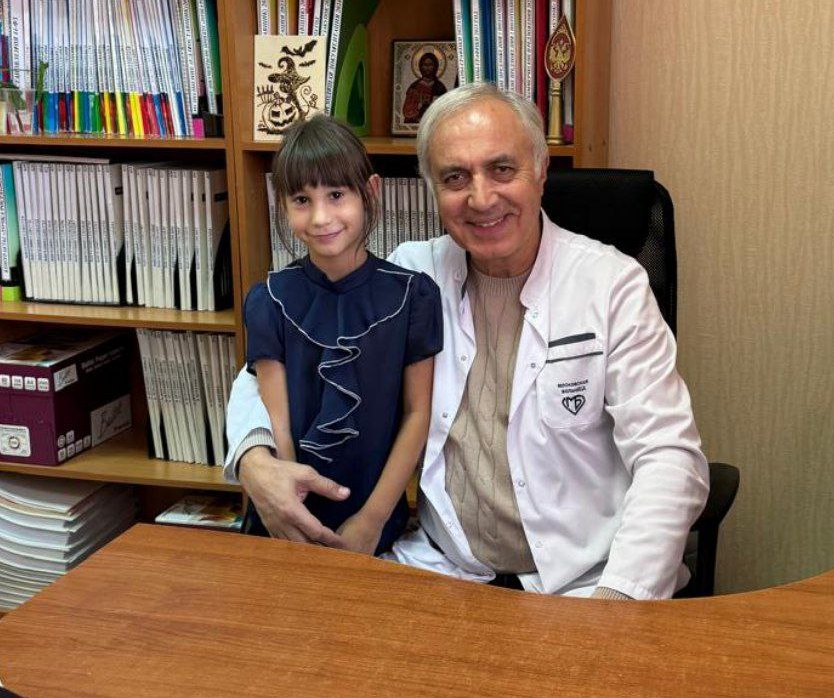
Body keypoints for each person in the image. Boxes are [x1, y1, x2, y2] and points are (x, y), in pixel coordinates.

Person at [227, 85, 709, 599]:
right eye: (455, 178)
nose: (481, 199)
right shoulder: (411, 278)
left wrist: (618, 600)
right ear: (432, 190)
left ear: (541, 169)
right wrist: (256, 462)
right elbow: (266, 368)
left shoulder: (612, 285)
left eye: (502, 169)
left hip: (585, 584)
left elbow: (669, 457)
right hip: (443, 568)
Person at [241, 113, 441, 555]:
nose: (320, 217)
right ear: (282, 205)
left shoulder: (414, 295)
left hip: (375, 518)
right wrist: (293, 513)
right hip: (286, 521)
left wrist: (372, 520)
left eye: (336, 195)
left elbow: (417, 414)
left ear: (370, 191)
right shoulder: (268, 299)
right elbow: (278, 423)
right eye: (301, 199)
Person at [401, 51, 448, 124]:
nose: (427, 68)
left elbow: (445, 110)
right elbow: (407, 111)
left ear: (435, 66)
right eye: (425, 65)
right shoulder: (414, 87)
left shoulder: (440, 87)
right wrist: (419, 106)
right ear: (420, 67)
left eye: (430, 65)